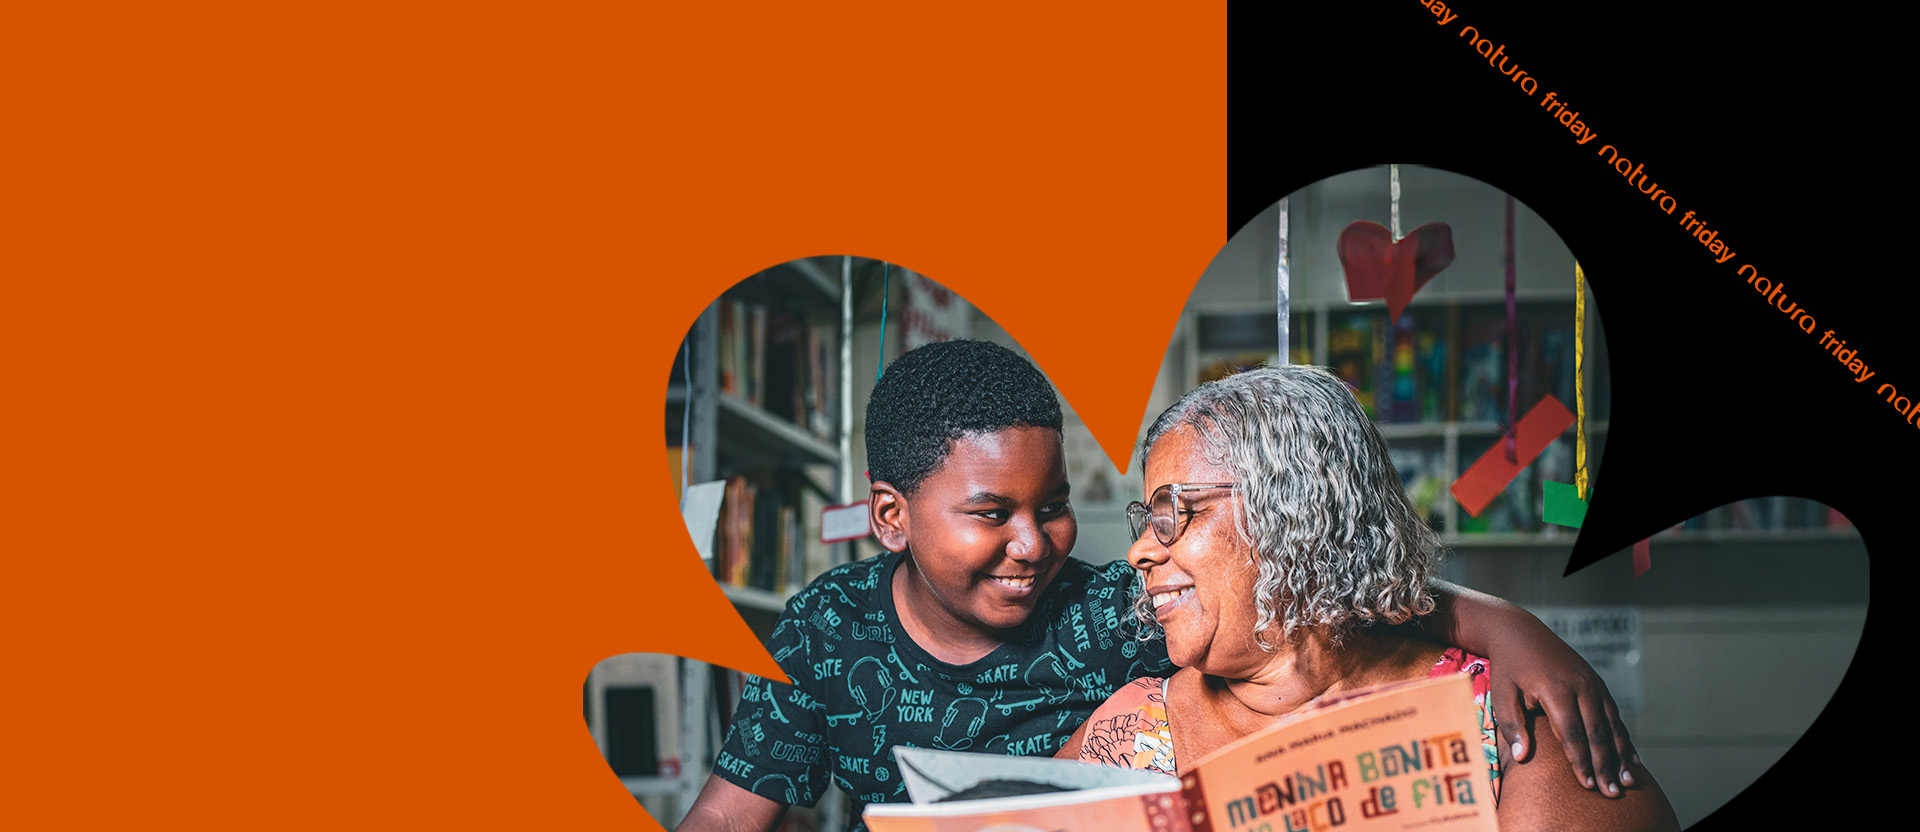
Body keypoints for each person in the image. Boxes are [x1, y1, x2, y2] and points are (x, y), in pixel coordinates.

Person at [676, 340, 1639, 832]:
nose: (1039, 542)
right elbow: (730, 810)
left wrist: (1511, 626)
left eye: (1053, 505)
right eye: (988, 514)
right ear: (892, 518)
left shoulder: (1111, 615)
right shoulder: (824, 627)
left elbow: (1319, 608)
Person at [1062, 365, 1679, 831]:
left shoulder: (1510, 717)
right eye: (1145, 517)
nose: (1141, 549)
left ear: (1293, 516)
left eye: (1173, 511)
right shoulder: (1132, 731)